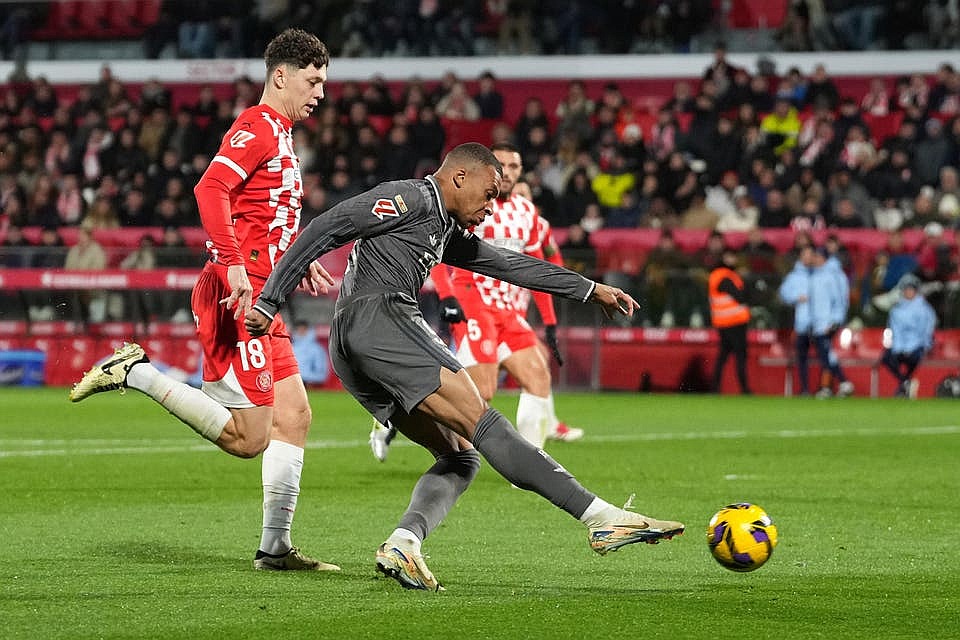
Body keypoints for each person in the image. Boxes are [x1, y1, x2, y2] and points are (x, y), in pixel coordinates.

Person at [245, 142, 684, 591]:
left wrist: (589, 289)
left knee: (460, 455)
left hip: (353, 343)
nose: (492, 208)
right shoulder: (412, 198)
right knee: (484, 423)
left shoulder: (443, 228)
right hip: (382, 320)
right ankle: (601, 518)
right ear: (460, 176)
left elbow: (509, 265)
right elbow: (330, 224)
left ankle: (404, 543)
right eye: (489, 193)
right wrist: (270, 299)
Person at [68, 29, 340, 572]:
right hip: (238, 295)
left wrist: (293, 257)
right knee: (249, 438)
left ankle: (275, 547)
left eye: (324, 83)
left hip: (264, 290)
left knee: (296, 417)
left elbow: (261, 213)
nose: (320, 94)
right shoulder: (257, 125)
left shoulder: (281, 135)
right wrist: (237, 264)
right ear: (281, 76)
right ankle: (138, 373)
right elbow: (209, 189)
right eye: (312, 81)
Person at [369, 144, 583, 462]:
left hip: (510, 313)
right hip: (473, 304)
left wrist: (549, 319)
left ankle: (531, 465)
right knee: (479, 393)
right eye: (502, 166)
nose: (508, 173)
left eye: (514, 166)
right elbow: (438, 248)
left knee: (538, 376)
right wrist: (448, 296)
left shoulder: (527, 213)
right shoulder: (472, 204)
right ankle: (397, 416)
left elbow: (540, 267)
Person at [880, 275, 936, 398]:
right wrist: (899, 348)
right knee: (886, 358)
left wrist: (921, 346)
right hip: (900, 346)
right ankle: (905, 383)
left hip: (916, 346)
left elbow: (926, 331)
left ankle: (903, 385)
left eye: (911, 289)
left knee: (914, 358)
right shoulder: (896, 310)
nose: (908, 292)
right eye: (906, 289)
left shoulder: (924, 309)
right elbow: (895, 331)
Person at [708, 245, 751, 394]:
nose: (732, 259)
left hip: (726, 322)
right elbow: (740, 296)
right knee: (740, 355)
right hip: (733, 322)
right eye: (729, 256)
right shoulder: (724, 275)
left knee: (724, 355)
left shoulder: (723, 274)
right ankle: (744, 389)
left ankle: (715, 387)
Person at [291, 320, 330, 386]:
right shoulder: (291, 347)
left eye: (303, 329)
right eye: (299, 329)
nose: (301, 331)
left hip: (309, 383)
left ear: (308, 330)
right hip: (292, 382)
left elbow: (321, 371)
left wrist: (311, 380)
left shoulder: (316, 349)